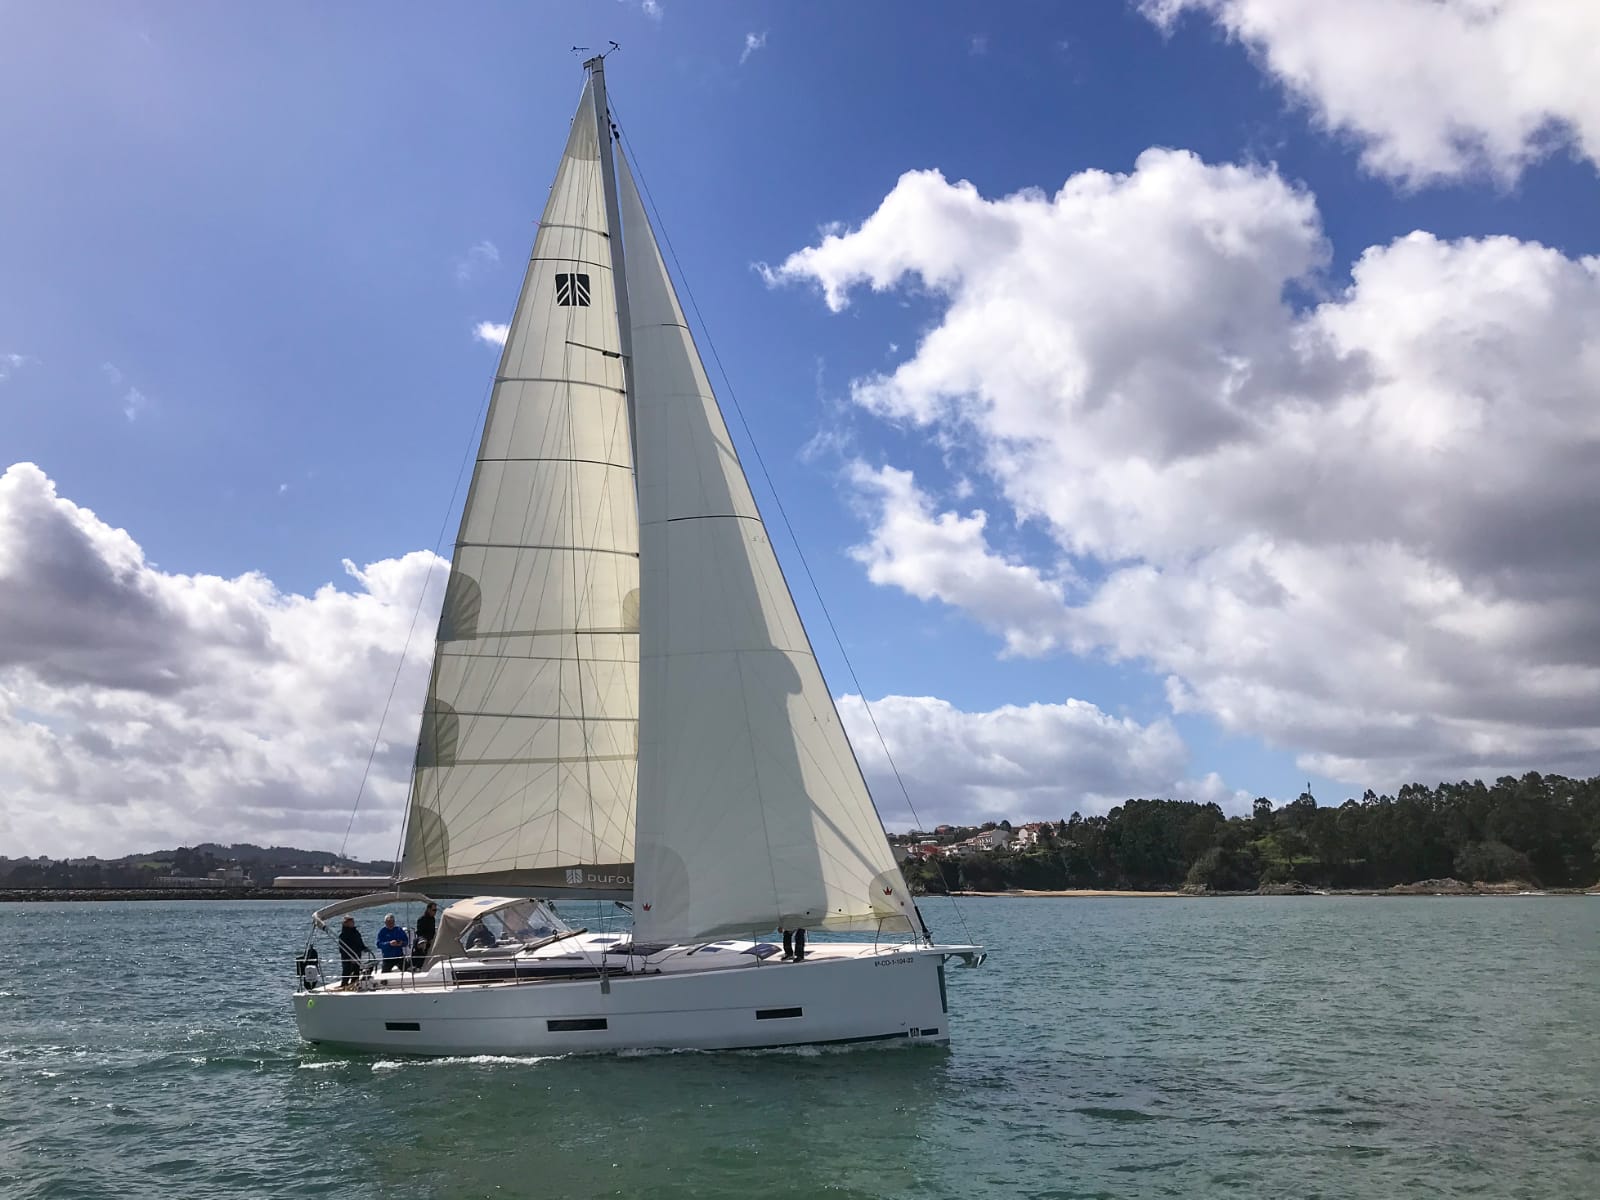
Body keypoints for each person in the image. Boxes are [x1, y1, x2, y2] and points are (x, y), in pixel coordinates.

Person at [337, 915, 369, 988]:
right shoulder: (343, 935)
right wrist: (350, 957)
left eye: (353, 921)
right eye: (351, 922)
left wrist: (364, 948)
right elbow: (342, 949)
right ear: (346, 923)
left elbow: (360, 942)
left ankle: (354, 983)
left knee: (356, 971)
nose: (353, 923)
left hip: (357, 955)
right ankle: (344, 984)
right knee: (347, 971)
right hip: (348, 957)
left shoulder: (356, 932)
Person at [412, 901, 438, 968]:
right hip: (423, 939)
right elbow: (419, 933)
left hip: (431, 939)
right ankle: (418, 965)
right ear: (428, 909)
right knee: (422, 943)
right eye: (434, 910)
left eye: (436, 910)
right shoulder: (421, 919)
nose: (435, 912)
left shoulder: (433, 919)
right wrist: (427, 939)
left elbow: (432, 932)